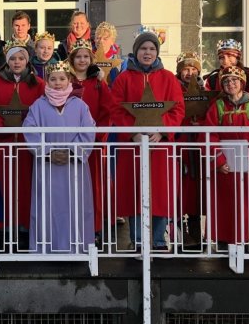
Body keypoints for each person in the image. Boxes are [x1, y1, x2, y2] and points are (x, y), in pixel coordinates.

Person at [110, 31, 185, 251]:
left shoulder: (168, 77)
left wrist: (162, 132)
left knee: (160, 194)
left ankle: (159, 241)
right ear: (136, 51)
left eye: (152, 49)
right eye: (143, 49)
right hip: (133, 147)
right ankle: (138, 241)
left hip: (159, 147)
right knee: (135, 193)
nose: (147, 53)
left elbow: (178, 108)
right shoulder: (124, 78)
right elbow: (116, 108)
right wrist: (132, 133)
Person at [23, 61, 96, 253]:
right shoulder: (38, 106)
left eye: (62, 79)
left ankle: (77, 246)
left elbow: (89, 131)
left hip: (74, 167)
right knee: (46, 206)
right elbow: (29, 131)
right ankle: (46, 247)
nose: (58, 83)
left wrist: (72, 152)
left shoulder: (80, 106)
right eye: (53, 79)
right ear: (47, 81)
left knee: (76, 205)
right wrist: (48, 152)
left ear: (69, 80)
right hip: (47, 166)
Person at [201, 66, 249, 251]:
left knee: (247, 204)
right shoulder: (217, 106)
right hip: (226, 166)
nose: (230, 84)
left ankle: (246, 238)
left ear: (241, 83)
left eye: (234, 80)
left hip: (247, 166)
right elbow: (208, 135)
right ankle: (224, 239)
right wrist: (218, 161)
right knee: (225, 204)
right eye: (226, 81)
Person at [0, 43, 45, 249]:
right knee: (5, 184)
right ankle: (5, 226)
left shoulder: (38, 84)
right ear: (7, 62)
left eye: (21, 58)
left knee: (28, 185)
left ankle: (26, 226)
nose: (17, 62)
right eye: (13, 59)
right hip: (4, 142)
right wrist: (0, 125)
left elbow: (43, 108)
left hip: (27, 144)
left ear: (27, 61)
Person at [67, 39, 116, 248]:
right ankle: (71, 227)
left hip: (92, 145)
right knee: (69, 187)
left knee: (93, 187)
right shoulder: (65, 80)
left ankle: (94, 228)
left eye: (86, 56)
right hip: (68, 143)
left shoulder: (97, 82)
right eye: (78, 56)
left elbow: (108, 110)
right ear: (72, 59)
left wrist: (99, 136)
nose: (82, 60)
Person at [174, 51, 207, 250]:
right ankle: (179, 230)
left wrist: (199, 121)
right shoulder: (174, 88)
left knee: (196, 189)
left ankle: (196, 229)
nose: (189, 73)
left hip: (197, 145)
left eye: (193, 69)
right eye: (186, 69)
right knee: (179, 188)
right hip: (180, 144)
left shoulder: (204, 89)